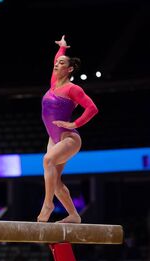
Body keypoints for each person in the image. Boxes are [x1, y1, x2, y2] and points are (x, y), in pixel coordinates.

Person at [37, 35, 99, 224]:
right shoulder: (53, 84)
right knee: (54, 182)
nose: (56, 65)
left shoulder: (73, 89)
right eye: (56, 63)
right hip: (53, 139)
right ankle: (74, 215)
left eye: (61, 63)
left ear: (69, 69)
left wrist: (74, 124)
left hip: (69, 139)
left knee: (47, 160)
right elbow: (57, 58)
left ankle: (48, 205)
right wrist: (62, 48)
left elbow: (92, 108)